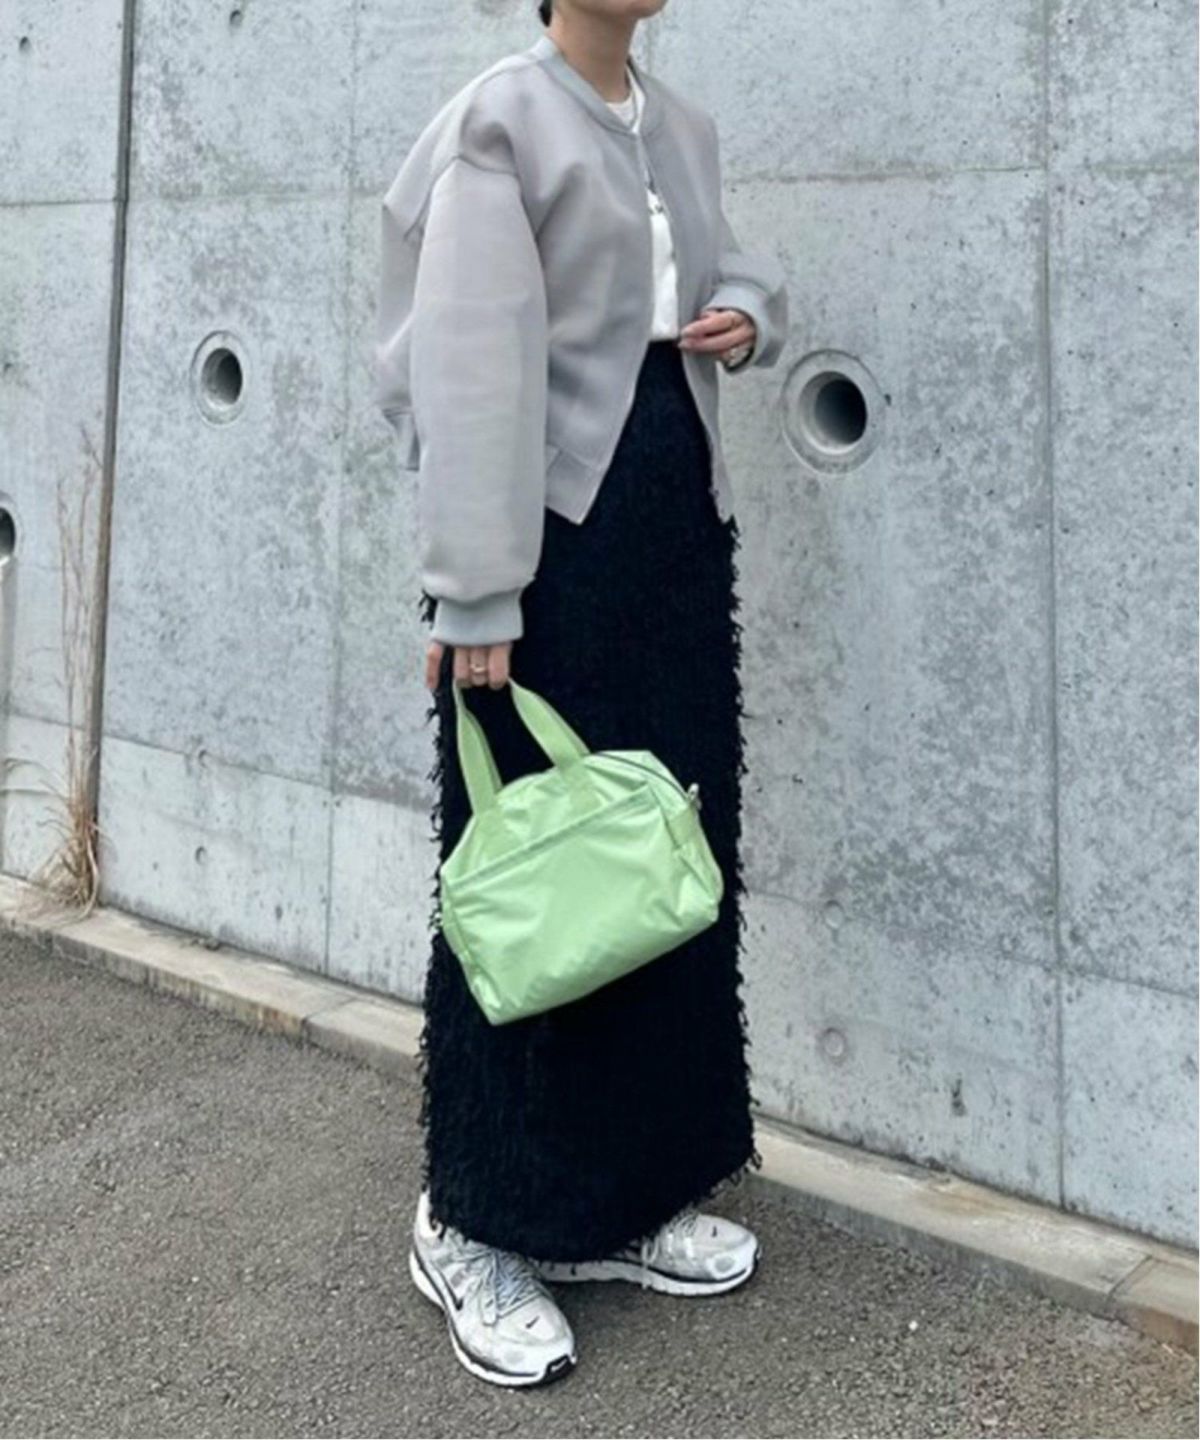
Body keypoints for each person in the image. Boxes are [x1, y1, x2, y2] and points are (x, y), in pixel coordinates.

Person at [374, 0, 789, 1388]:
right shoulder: (503, 122)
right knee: (526, 872)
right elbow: (467, 360)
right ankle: (476, 1218)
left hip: (674, 534)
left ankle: (627, 1193)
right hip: (549, 553)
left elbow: (727, 265)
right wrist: (475, 587)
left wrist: (751, 315)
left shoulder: (683, 126)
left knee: (657, 860)